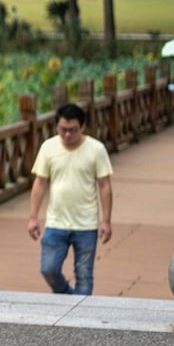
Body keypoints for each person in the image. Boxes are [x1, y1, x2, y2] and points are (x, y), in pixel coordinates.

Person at [27, 102, 113, 294]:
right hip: (56, 221)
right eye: (62, 130)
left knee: (84, 274)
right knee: (48, 268)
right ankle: (66, 295)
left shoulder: (96, 149)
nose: (67, 135)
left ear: (82, 127)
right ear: (56, 126)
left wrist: (106, 221)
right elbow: (40, 183)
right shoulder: (48, 147)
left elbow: (105, 185)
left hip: (86, 223)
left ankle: (80, 317)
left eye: (72, 130)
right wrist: (33, 217)